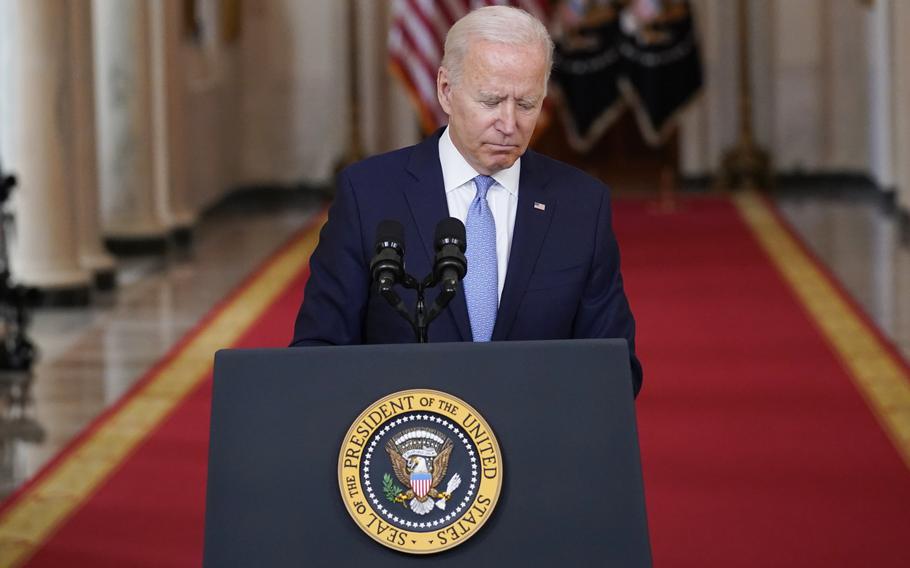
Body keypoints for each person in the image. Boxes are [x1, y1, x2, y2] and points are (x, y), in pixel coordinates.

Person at [291, 6, 642, 396]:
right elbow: (317, 353)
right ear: (445, 90)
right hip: (409, 447)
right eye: (491, 102)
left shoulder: (581, 205)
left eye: (526, 104)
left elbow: (616, 367)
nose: (510, 124)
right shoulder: (368, 194)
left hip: (537, 447)